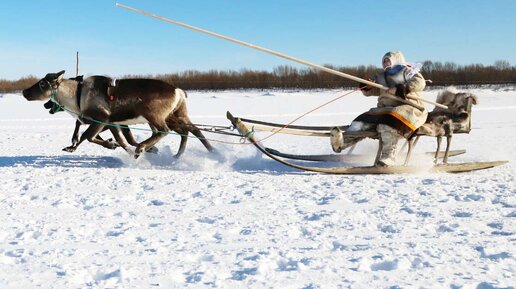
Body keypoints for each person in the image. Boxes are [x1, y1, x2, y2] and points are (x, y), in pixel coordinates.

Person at [330, 51, 428, 166]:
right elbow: (374, 90)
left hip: (409, 109)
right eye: (384, 61)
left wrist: (400, 88)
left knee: (387, 124)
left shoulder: (407, 71)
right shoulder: (381, 76)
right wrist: (368, 87)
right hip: (385, 110)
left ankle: (388, 157)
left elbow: (420, 82)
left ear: (396, 60)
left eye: (388, 60)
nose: (385, 63)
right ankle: (341, 143)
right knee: (363, 121)